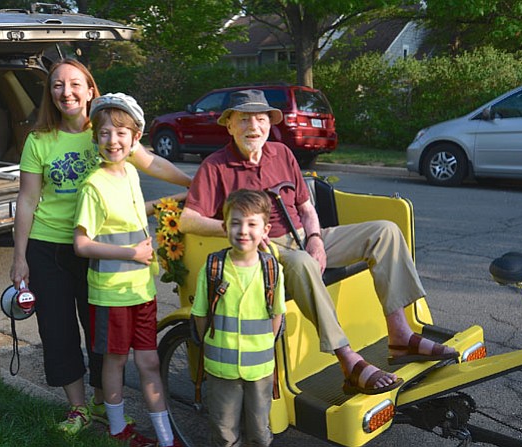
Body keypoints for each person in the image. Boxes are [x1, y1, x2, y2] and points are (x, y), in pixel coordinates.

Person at [179, 89, 458, 395]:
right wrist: (239, 231)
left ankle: (400, 335)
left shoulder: (282, 154)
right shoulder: (216, 166)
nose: (253, 127)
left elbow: (305, 207)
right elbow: (188, 220)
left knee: (385, 231)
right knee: (301, 263)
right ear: (229, 125)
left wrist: (316, 239)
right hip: (263, 250)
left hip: (304, 237)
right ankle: (348, 360)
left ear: (270, 124)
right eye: (244, 119)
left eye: (260, 119)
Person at [9, 59, 191, 436]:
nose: (66, 92)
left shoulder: (109, 129)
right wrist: (20, 258)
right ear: (50, 93)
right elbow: (27, 200)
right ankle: (77, 408)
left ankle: (100, 400)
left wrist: (196, 183)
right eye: (57, 85)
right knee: (58, 331)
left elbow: (152, 162)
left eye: (75, 84)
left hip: (100, 250)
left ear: (91, 90)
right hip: (50, 248)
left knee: (101, 334)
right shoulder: (39, 140)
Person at [73, 92, 181, 447]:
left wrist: (173, 201)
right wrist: (130, 252)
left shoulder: (132, 173)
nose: (112, 140)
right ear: (96, 139)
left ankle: (166, 439)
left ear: (136, 139)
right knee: (115, 362)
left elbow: (134, 214)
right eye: (104, 133)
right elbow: (82, 244)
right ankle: (119, 432)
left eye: (121, 133)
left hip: (141, 291)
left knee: (149, 363)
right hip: (111, 294)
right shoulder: (93, 185)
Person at [191, 189, 286, 447]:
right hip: (221, 368)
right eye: (235, 223)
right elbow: (200, 315)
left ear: (265, 229)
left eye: (252, 224)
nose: (243, 230)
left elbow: (277, 315)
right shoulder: (213, 268)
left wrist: (264, 346)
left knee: (259, 430)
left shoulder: (271, 269)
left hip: (260, 370)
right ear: (225, 227)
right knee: (224, 430)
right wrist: (213, 346)